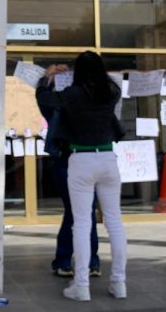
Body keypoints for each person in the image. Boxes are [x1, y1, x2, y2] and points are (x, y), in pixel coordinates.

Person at [36, 51, 126, 302]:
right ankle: (119, 283)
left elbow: (45, 99)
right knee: (115, 223)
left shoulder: (72, 95)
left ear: (79, 72)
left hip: (81, 160)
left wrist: (47, 77)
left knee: (82, 223)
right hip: (108, 159)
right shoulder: (112, 91)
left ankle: (81, 285)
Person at [36, 71, 101, 278]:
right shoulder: (57, 109)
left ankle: (81, 261)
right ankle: (76, 261)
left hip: (85, 161)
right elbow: (43, 98)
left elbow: (42, 96)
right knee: (77, 211)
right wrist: (48, 78)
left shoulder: (92, 106)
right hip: (67, 161)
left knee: (84, 211)